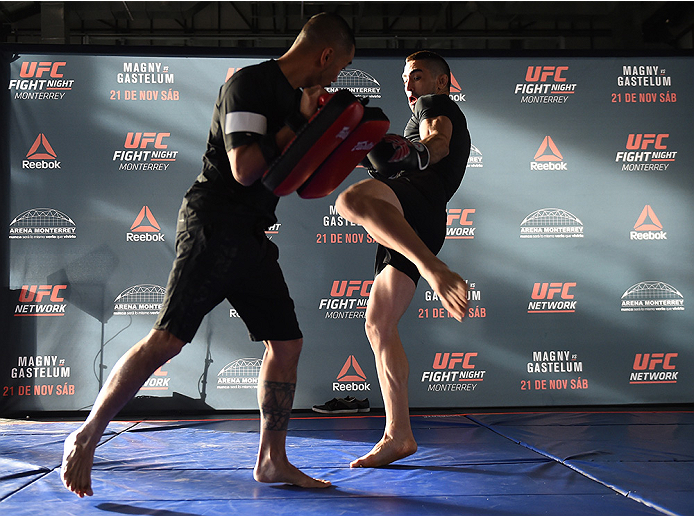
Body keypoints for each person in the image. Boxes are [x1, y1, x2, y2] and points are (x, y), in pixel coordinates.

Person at [61, 12, 355, 497]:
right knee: (168, 341)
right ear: (325, 54)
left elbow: (295, 177)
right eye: (339, 67)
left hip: (254, 234)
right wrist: (301, 122)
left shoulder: (300, 100)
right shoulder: (250, 85)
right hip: (214, 224)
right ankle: (86, 435)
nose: (336, 77)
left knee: (286, 344)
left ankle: (271, 460)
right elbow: (243, 168)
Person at [335, 50, 471, 468]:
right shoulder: (415, 119)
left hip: (418, 204)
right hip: (413, 221)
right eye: (405, 78)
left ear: (442, 82)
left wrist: (420, 152)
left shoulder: (437, 106)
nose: (409, 85)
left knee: (352, 198)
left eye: (418, 76)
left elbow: (438, 141)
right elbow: (394, 160)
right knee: (378, 324)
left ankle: (434, 268)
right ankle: (399, 435)